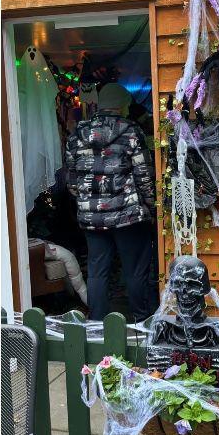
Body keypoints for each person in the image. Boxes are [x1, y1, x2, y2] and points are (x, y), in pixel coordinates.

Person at [65, 83, 159, 322]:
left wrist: (88, 203)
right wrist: (152, 206)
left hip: (91, 217)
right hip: (128, 216)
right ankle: (141, 321)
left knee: (97, 272)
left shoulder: (78, 133)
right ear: (122, 104)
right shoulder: (130, 131)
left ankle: (96, 324)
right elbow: (144, 175)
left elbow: (72, 179)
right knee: (135, 270)